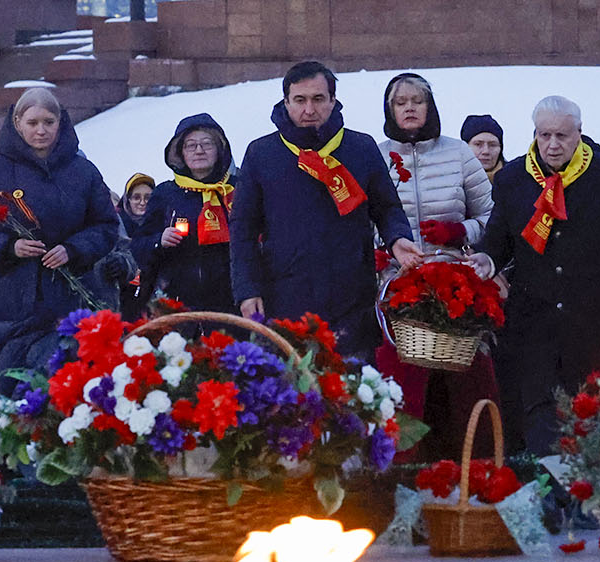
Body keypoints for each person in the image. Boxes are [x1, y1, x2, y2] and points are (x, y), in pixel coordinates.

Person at [472, 95, 600, 453]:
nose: (552, 145)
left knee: (595, 423)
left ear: (579, 134)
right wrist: (486, 262)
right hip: (533, 327)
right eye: (544, 135)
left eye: (562, 136)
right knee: (540, 423)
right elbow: (498, 241)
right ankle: (546, 484)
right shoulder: (513, 179)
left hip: (595, 325)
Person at [232, 61, 419, 358]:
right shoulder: (261, 153)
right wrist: (247, 289)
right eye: (300, 100)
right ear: (286, 102)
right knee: (293, 386)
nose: (309, 109)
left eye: (318, 99)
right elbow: (242, 229)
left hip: (351, 299)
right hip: (286, 298)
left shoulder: (361, 147)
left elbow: (387, 208)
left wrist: (397, 238)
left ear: (333, 100)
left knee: (355, 385)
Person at [0, 87, 120, 382]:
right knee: (16, 391)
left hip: (71, 300)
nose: (41, 130)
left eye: (49, 122)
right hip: (13, 303)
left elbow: (107, 226)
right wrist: (8, 247)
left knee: (66, 388)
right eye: (32, 123)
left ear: (61, 122)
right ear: (17, 123)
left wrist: (73, 249)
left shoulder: (83, 171)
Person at [375, 73, 498, 460]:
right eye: (401, 103)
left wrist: (459, 230)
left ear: (431, 108)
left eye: (418, 101)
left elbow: (493, 218)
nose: (410, 108)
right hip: (398, 287)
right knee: (402, 388)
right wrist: (378, 251)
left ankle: (480, 467)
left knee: (471, 382)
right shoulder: (375, 156)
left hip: (455, 285)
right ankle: (399, 470)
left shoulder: (458, 153)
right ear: (390, 110)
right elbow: (360, 219)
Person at [133, 115, 236, 317]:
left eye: (207, 144)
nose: (199, 150)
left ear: (220, 149)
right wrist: (159, 240)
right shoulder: (165, 194)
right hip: (178, 303)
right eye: (191, 145)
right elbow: (138, 245)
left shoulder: (236, 189)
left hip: (232, 302)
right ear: (180, 152)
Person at [113, 172, 154, 319]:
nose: (142, 202)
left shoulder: (163, 225)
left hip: (154, 301)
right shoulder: (115, 225)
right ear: (127, 200)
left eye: (148, 198)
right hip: (121, 300)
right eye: (136, 197)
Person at [461, 114, 505, 184]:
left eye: (492, 145)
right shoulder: (449, 180)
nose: (486, 151)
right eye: (478, 144)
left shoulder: (516, 181)